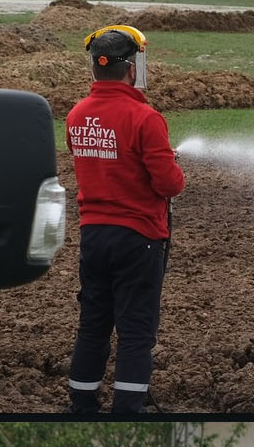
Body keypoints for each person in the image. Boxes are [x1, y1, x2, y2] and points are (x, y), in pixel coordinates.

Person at [64, 23, 184, 417]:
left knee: (93, 323)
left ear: (95, 68)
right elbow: (169, 185)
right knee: (135, 330)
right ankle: (128, 409)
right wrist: (171, 164)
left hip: (93, 237)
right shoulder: (145, 118)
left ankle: (82, 404)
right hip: (138, 238)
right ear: (131, 68)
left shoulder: (76, 115)